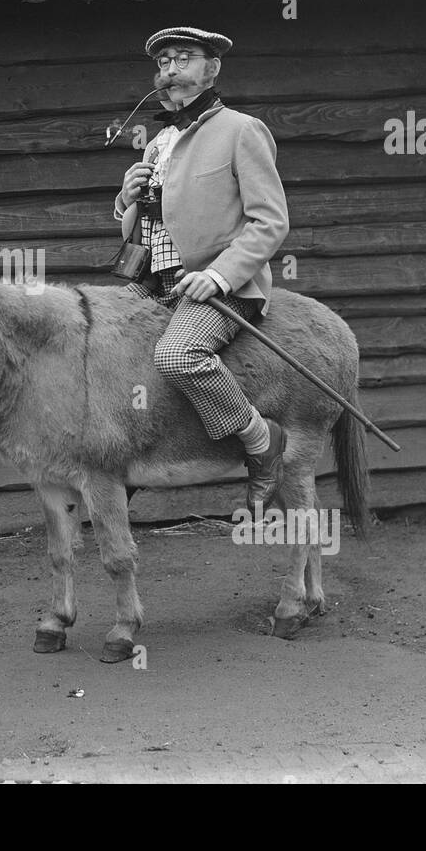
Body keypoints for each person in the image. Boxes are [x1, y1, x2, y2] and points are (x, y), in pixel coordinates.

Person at [114, 27, 291, 507]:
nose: (171, 68)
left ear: (211, 68)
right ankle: (127, 458)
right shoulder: (158, 142)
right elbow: (142, 227)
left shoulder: (241, 130)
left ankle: (260, 440)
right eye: (165, 60)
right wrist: (127, 198)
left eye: (184, 58)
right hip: (152, 282)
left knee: (178, 356)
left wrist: (218, 274)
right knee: (99, 342)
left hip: (220, 285)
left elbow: (270, 222)